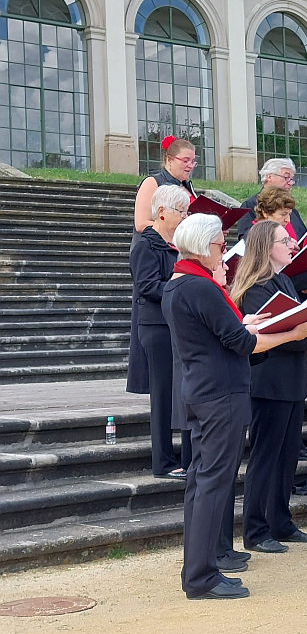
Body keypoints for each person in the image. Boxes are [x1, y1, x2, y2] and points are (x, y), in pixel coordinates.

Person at [163, 213, 307, 600]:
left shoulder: (177, 285)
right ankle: (201, 576)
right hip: (221, 394)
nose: (224, 252)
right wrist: (291, 334)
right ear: (202, 247)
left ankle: (198, 570)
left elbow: (217, 335)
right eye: (219, 244)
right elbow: (244, 345)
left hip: (201, 391)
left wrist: (244, 323)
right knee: (213, 483)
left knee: (201, 483)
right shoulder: (201, 287)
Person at [231, 221, 307, 553]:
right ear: (266, 247)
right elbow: (274, 338)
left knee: (287, 457)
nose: (292, 243)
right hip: (268, 380)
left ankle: (280, 521)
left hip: (291, 379)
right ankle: (255, 529)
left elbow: (297, 328)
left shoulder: (282, 280)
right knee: (266, 458)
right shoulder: (257, 287)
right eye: (285, 239)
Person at [128, 185, 190, 478]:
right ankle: (163, 461)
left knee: (181, 392)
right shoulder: (146, 244)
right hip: (155, 326)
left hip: (176, 324)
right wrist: (182, 288)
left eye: (187, 211)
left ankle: (185, 457)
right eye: (181, 211)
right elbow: (148, 286)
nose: (185, 216)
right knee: (163, 395)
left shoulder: (177, 244)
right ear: (161, 212)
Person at [133, 136, 198, 233]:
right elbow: (141, 223)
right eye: (185, 160)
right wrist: (184, 230)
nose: (190, 165)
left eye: (193, 161)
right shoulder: (152, 182)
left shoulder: (187, 187)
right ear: (169, 160)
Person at [236, 158, 306, 242]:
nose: (290, 183)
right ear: (269, 177)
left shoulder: (291, 210)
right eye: (286, 177)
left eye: (292, 179)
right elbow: (247, 241)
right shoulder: (250, 205)